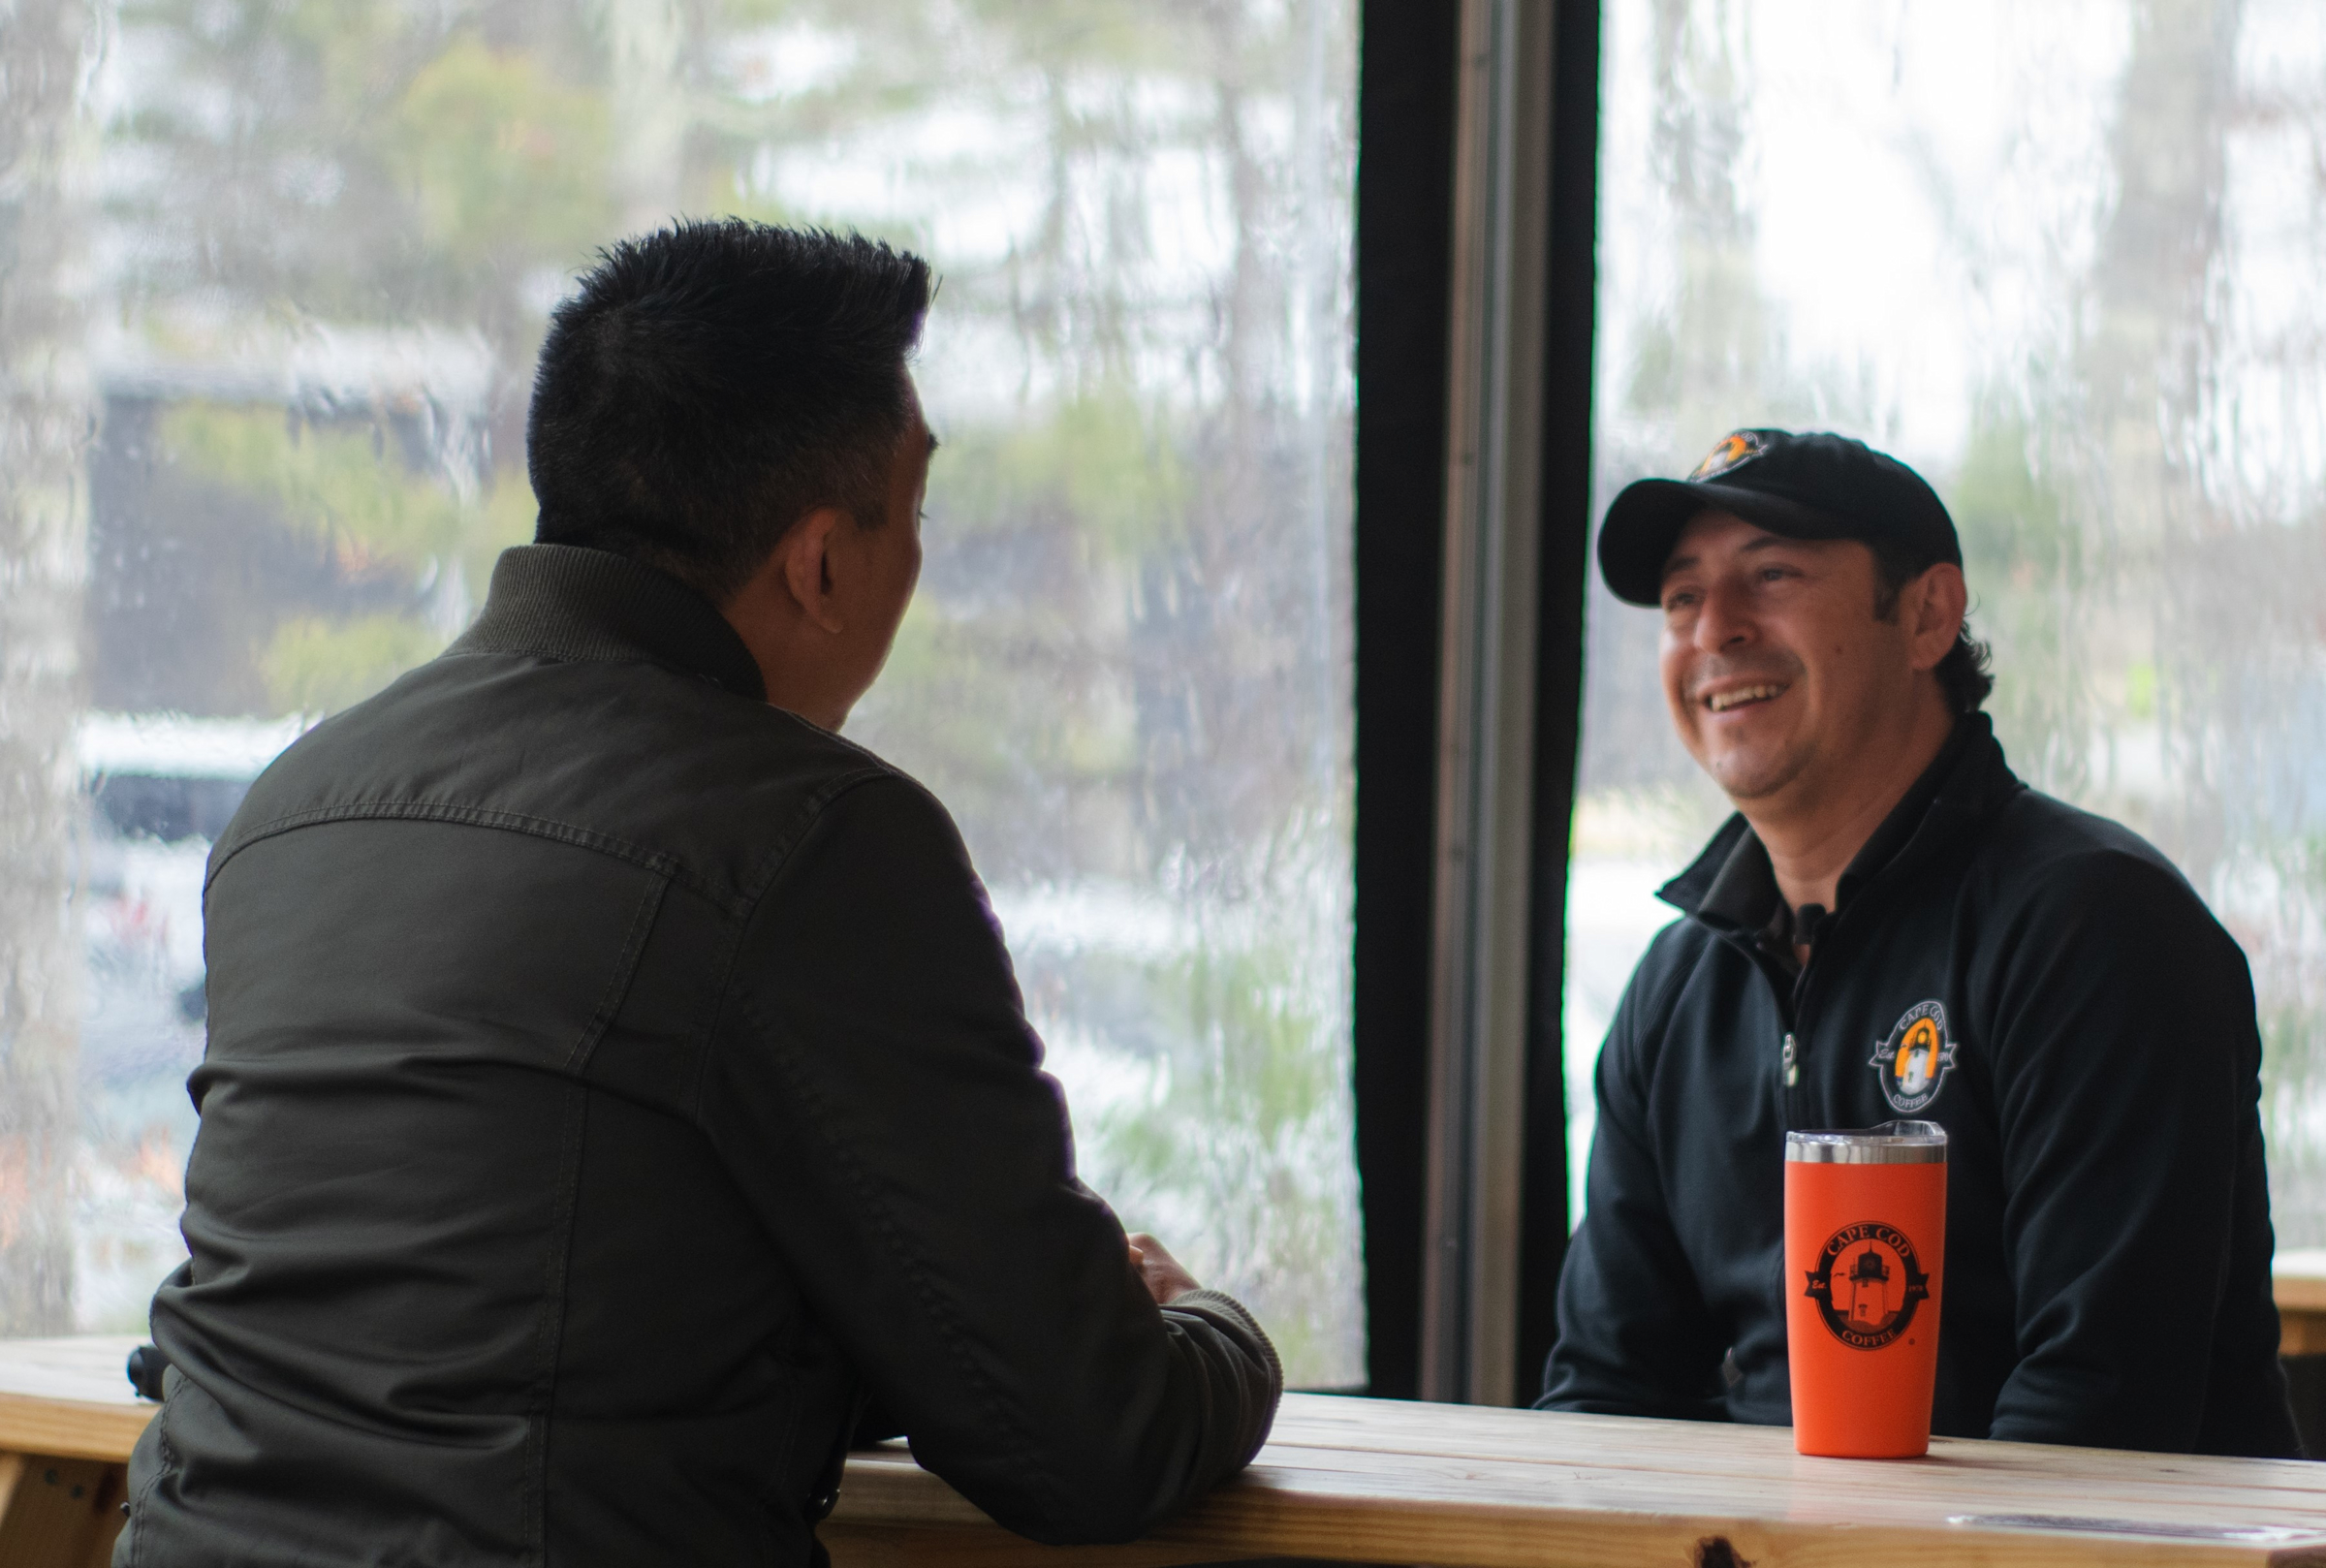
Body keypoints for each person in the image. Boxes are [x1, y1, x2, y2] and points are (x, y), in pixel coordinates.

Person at [117, 221, 1281, 1568]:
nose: (918, 559)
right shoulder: (812, 836)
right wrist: (1210, 1326)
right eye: (913, 516)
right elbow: (1093, 1437)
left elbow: (441, 1318)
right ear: (820, 562)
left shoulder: (297, 805)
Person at [1539, 428, 2298, 1457]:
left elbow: (2095, 1415)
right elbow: (1604, 1397)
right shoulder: (1678, 988)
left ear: (1929, 615)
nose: (1715, 628)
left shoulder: (2095, 928)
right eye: (1682, 597)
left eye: (1772, 574)